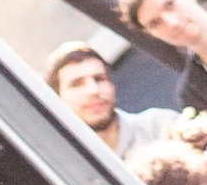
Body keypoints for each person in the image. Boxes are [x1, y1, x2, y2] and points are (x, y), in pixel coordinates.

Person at [40, 44, 179, 173]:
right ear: (57, 99)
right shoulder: (63, 167)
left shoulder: (161, 127)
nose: (93, 90)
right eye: (77, 84)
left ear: (112, 86)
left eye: (99, 79)